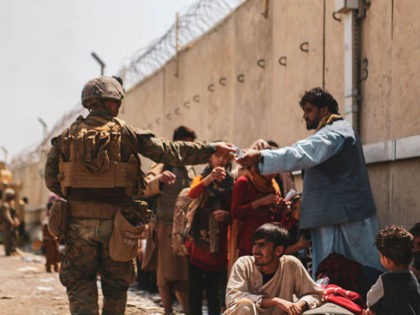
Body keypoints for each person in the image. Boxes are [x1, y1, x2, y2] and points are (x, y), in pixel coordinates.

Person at [44, 75, 235, 315]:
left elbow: (51, 179)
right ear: (114, 103)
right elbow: (170, 151)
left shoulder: (66, 137)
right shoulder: (128, 133)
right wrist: (210, 148)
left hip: (78, 226)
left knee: (80, 284)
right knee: (115, 287)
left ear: (88, 102)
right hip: (119, 226)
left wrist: (81, 198)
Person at [236, 87, 382, 275]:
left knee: (365, 270)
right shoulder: (332, 132)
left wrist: (261, 157)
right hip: (333, 216)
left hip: (348, 216)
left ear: (324, 110)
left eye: (309, 110)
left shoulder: (336, 132)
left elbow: (302, 152)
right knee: (330, 274)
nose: (304, 116)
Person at [141, 125, 197, 315]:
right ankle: (167, 311)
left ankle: (186, 310)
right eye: (186, 145)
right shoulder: (162, 164)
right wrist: (160, 180)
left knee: (184, 275)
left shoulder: (190, 169)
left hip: (185, 228)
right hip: (165, 226)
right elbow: (144, 188)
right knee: (165, 274)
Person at [225, 223, 323, 315]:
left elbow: (315, 294)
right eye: (254, 244)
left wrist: (300, 304)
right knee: (245, 307)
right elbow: (233, 298)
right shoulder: (243, 264)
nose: (255, 250)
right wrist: (275, 301)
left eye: (262, 245)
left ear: (278, 250)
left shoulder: (291, 265)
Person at [187, 147, 234, 315]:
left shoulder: (232, 183)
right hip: (199, 244)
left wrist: (227, 215)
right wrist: (209, 179)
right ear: (210, 158)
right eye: (217, 155)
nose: (221, 160)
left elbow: (235, 211)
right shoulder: (201, 178)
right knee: (195, 294)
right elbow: (192, 194)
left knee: (214, 295)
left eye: (225, 157)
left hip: (219, 247)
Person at [364, 225, 420, 315]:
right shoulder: (413, 278)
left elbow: (370, 301)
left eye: (380, 255)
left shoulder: (385, 279)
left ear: (387, 260)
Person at [231, 165, 282, 258]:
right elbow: (235, 212)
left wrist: (279, 208)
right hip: (248, 240)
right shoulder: (244, 182)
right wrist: (260, 202)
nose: (274, 175)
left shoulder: (273, 185)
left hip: (268, 239)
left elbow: (274, 217)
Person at [42, 194, 60, 272]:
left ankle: (56, 267)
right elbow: (44, 229)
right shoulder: (46, 218)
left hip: (54, 239)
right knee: (49, 255)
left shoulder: (54, 217)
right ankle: (48, 268)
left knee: (56, 253)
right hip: (48, 239)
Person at [0, 188, 20, 256]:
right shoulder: (5, 205)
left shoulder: (10, 204)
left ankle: (12, 250)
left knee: (14, 237)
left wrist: (16, 220)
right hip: (5, 224)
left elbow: (14, 214)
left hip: (11, 225)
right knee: (7, 238)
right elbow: (7, 215)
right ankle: (8, 251)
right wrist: (11, 221)